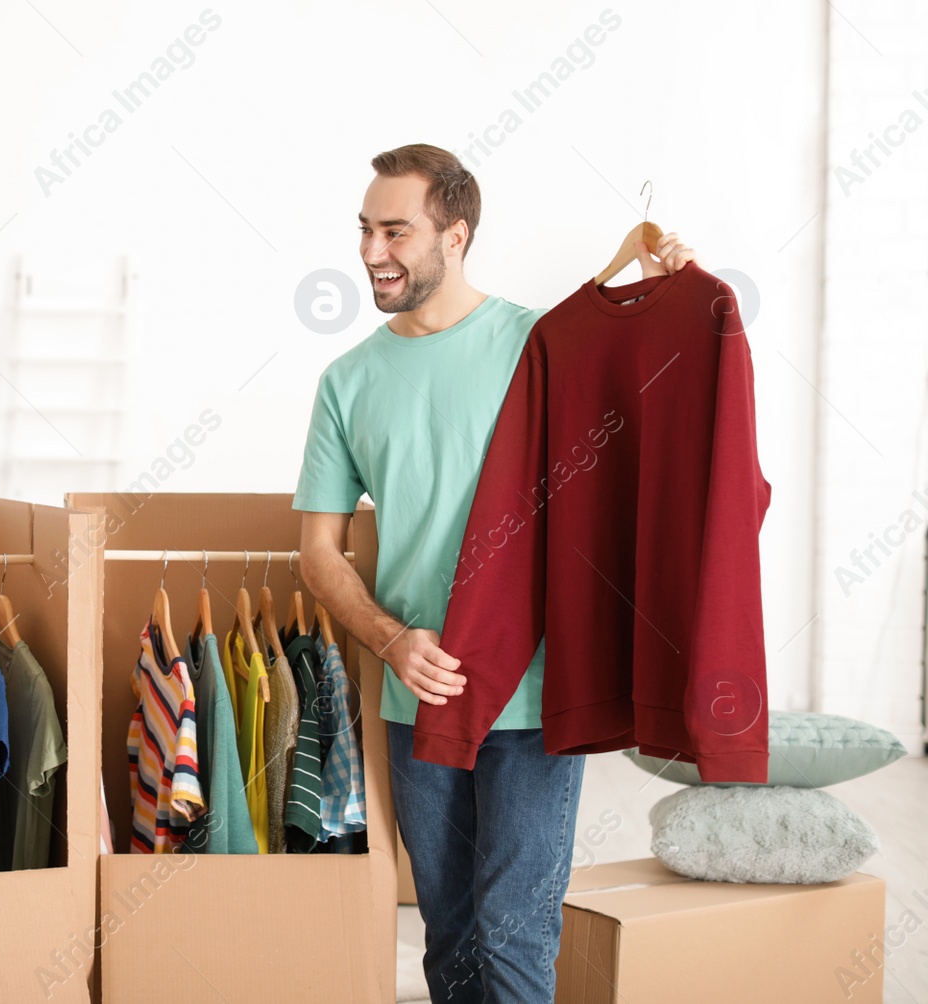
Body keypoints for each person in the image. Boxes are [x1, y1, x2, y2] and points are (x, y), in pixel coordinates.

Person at [294, 144, 697, 1002]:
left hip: (532, 701)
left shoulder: (542, 344)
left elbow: (655, 387)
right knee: (450, 942)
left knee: (515, 940)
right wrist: (392, 641)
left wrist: (673, 288)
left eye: (396, 231)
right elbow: (318, 553)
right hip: (419, 698)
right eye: (365, 230)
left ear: (457, 233)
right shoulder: (348, 382)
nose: (372, 252)